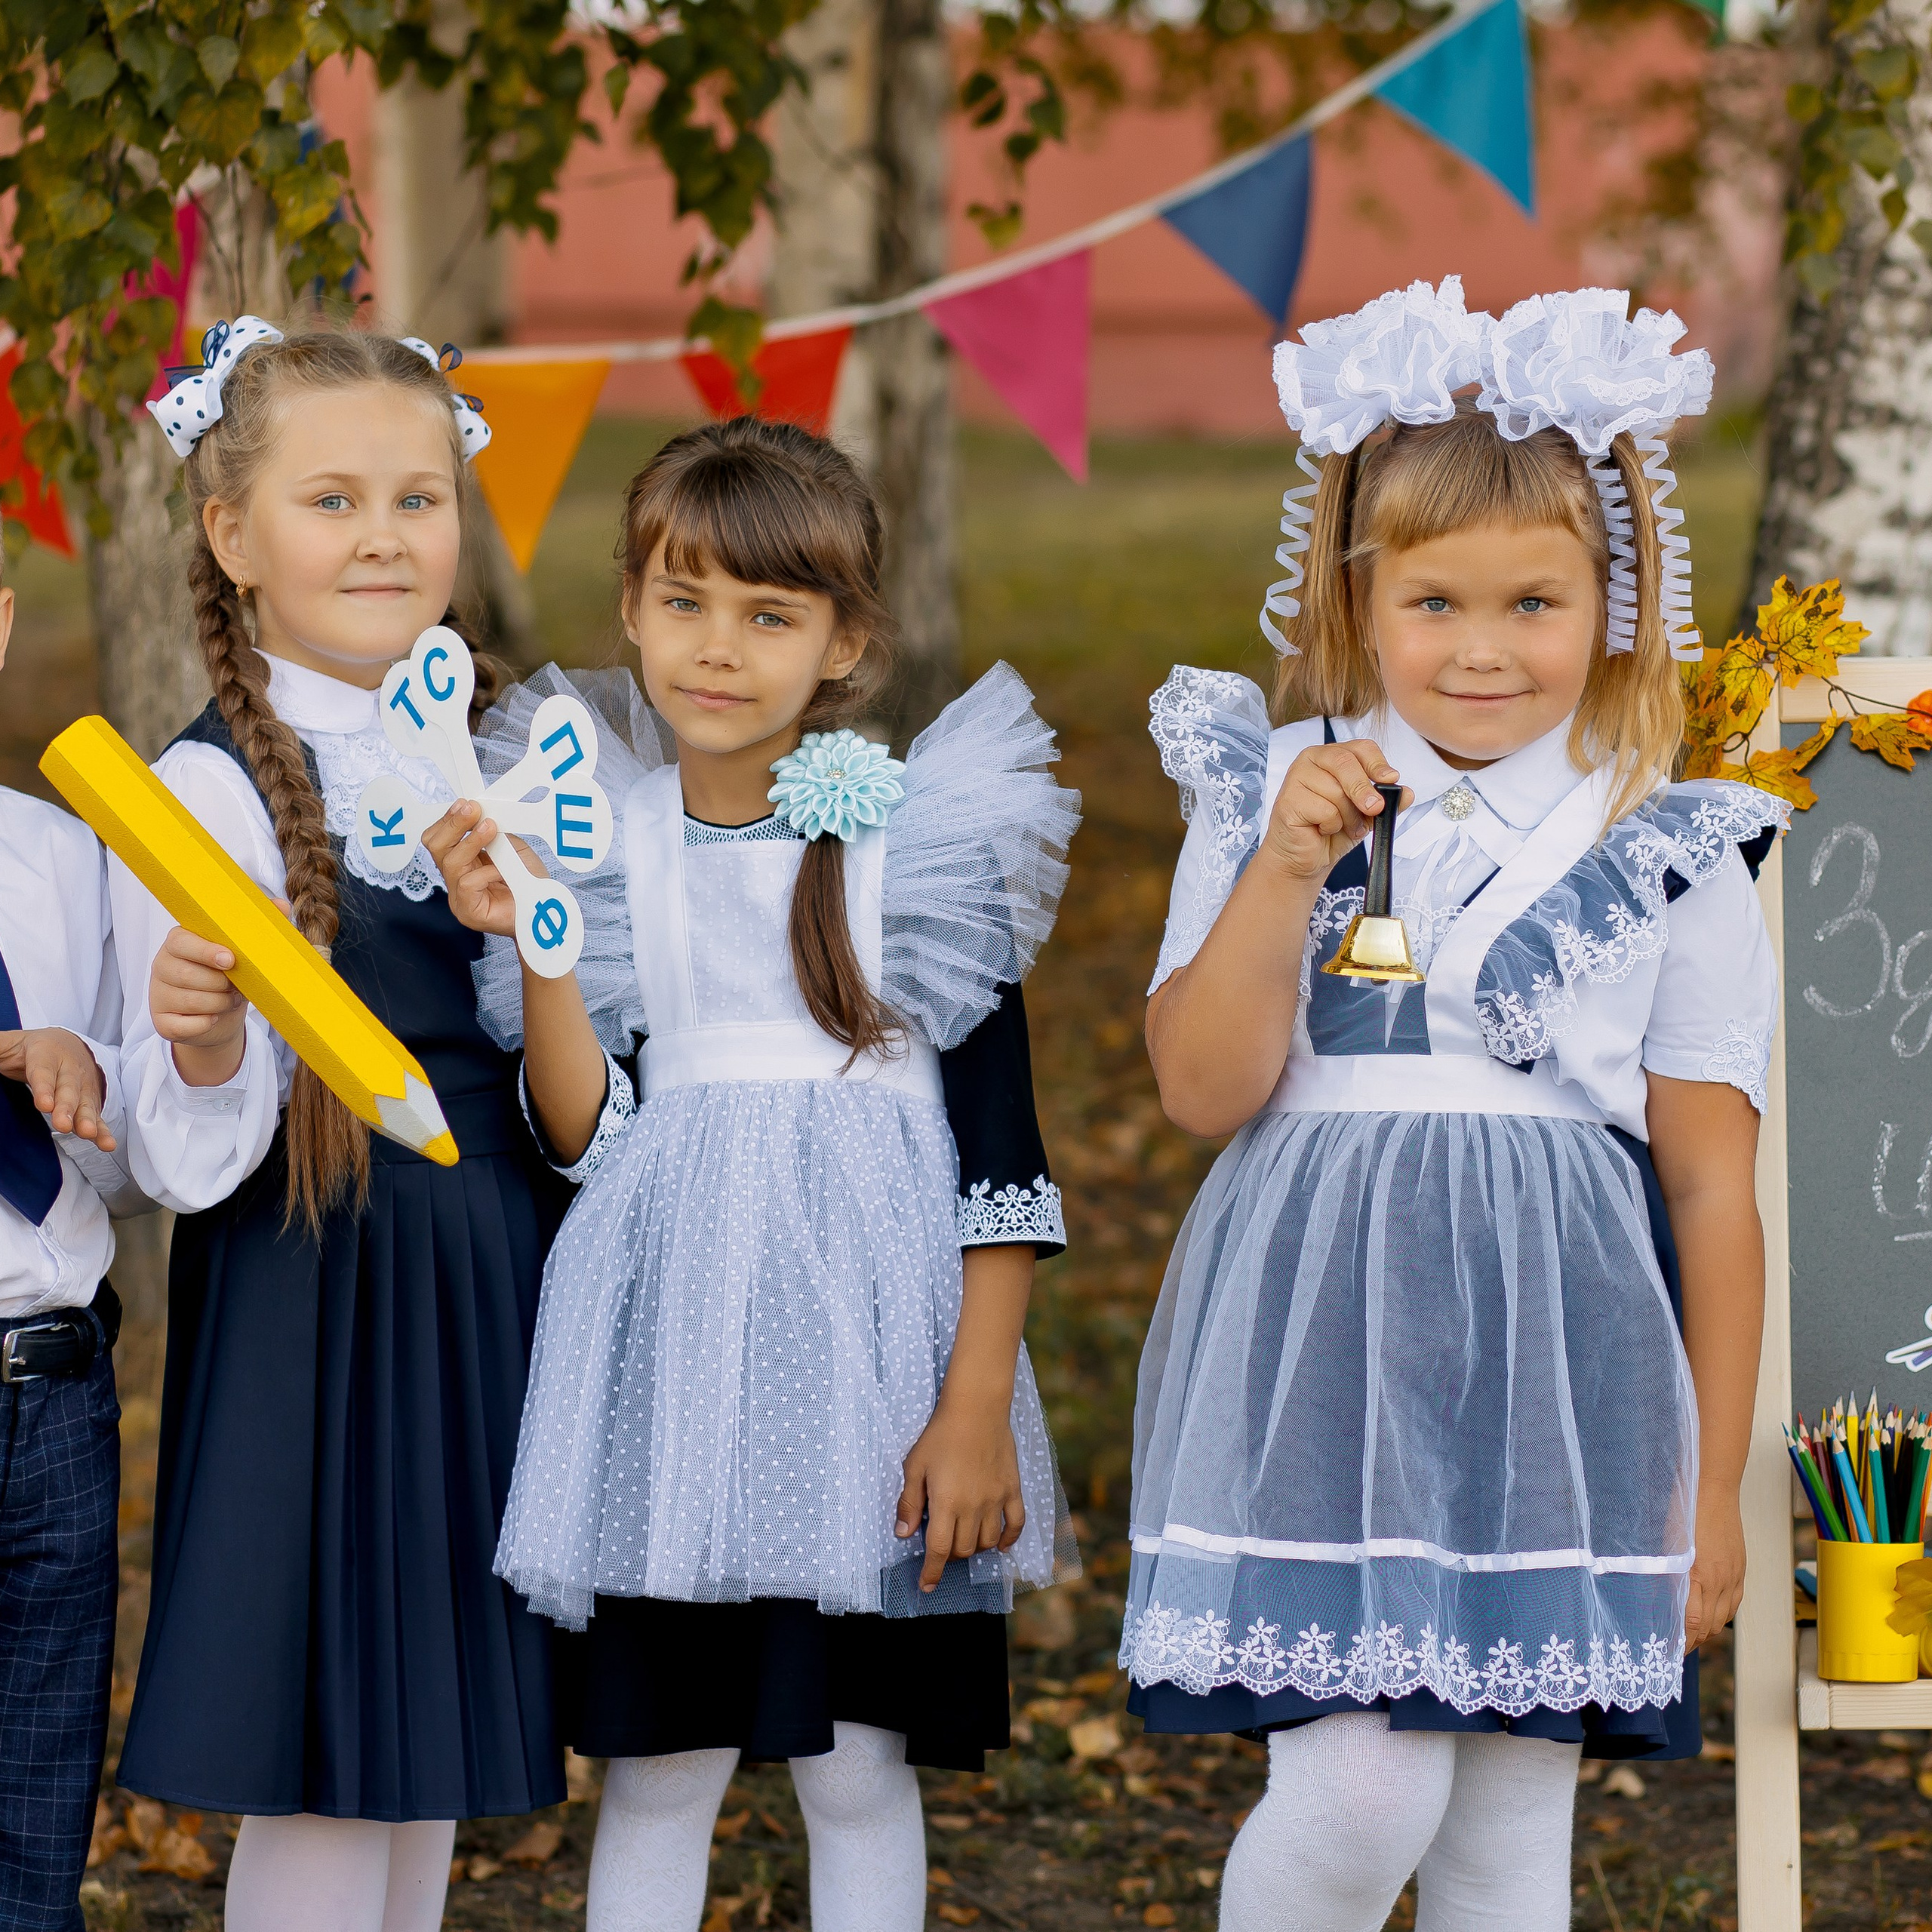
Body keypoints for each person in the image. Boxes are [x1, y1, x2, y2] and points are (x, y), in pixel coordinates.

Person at [1125, 281, 1780, 1929]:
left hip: (1559, 1378)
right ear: (1360, 594)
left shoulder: (1660, 841)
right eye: (1431, 601)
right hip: (1323, 1353)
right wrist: (1283, 868)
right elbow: (1202, 1089)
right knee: (1352, 1790)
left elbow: (1708, 1181)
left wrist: (1704, 1482)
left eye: (1532, 601)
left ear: (1611, 597)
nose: (1480, 647)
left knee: (1501, 1835)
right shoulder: (1275, 781)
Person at [426, 416, 1081, 1932]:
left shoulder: (914, 846)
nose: (717, 648)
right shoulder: (602, 844)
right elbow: (582, 1135)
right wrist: (539, 943)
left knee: (855, 1766)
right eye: (684, 601)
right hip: (672, 1365)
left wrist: (973, 1402)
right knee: (663, 1768)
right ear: (633, 608)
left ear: (841, 639)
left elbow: (1001, 1149)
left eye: (768, 614)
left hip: (878, 1362)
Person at [112, 319, 569, 1932]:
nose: (384, 533)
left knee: (425, 1737)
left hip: (486, 1272)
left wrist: (536, 939)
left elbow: (572, 1083)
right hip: (322, 1289)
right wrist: (210, 1031)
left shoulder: (511, 751)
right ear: (234, 536)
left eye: (418, 496)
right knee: (323, 1752)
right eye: (332, 499)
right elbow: (177, 1154)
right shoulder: (210, 789)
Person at [0, 552, 144, 1932]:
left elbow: (131, 1118)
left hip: (50, 1381)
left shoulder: (56, 859)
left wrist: (101, 1062)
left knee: (42, 1773)